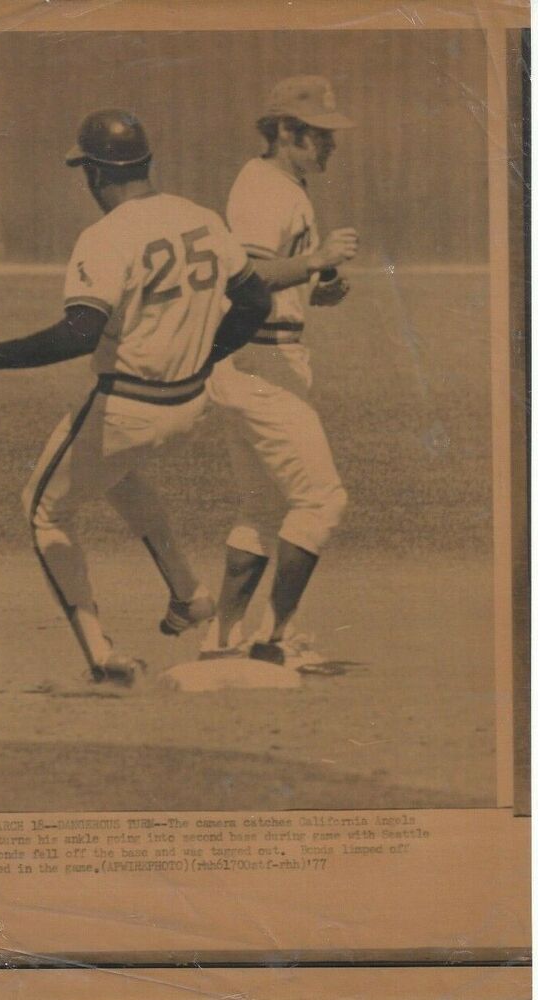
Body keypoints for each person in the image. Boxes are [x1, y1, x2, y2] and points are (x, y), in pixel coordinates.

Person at [0, 108, 270, 687]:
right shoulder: (200, 216)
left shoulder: (107, 236)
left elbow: (80, 333)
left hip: (129, 408)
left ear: (92, 172)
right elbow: (256, 303)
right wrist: (207, 354)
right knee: (115, 473)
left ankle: (101, 655)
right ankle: (188, 595)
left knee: (43, 509)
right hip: (190, 405)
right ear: (146, 163)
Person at [201, 77, 359, 670]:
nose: (331, 146)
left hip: (258, 362)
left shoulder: (281, 185)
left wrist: (321, 284)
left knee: (263, 510)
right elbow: (247, 279)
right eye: (321, 135)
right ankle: (272, 638)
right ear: (287, 131)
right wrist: (316, 261)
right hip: (261, 363)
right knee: (322, 501)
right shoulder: (265, 189)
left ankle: (222, 638)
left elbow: (281, 279)